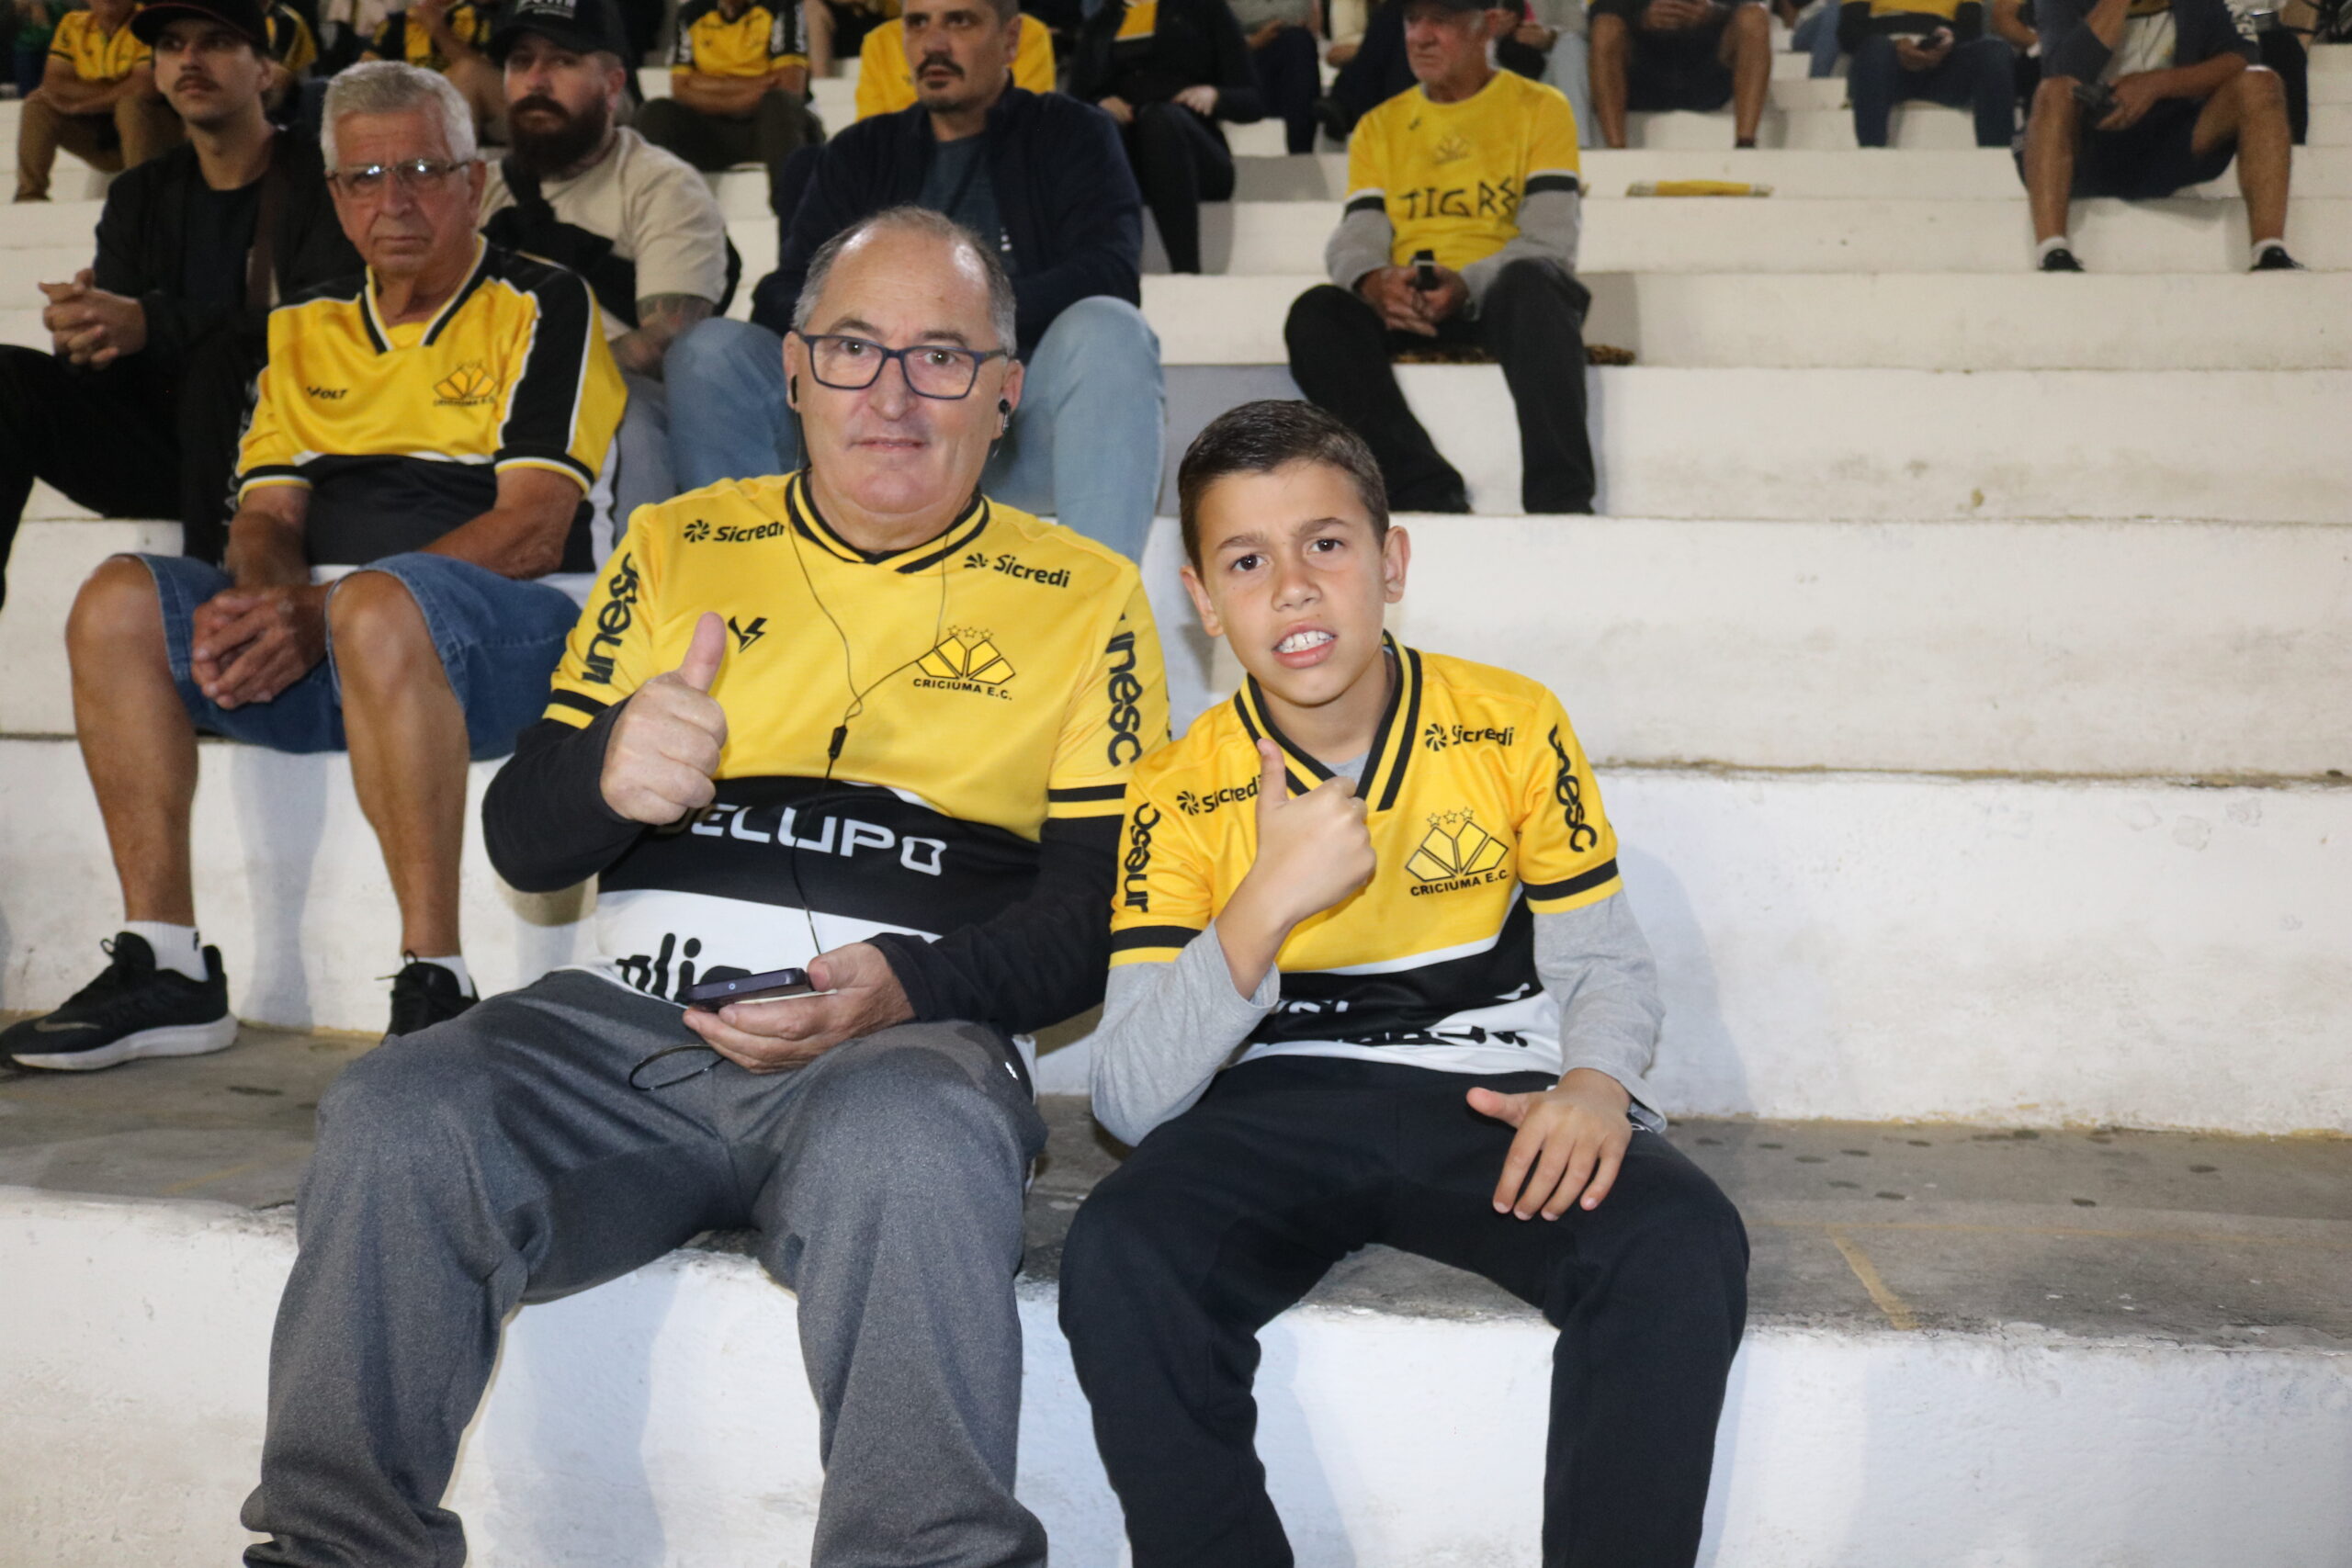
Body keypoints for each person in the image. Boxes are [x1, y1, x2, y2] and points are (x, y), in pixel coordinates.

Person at [236, 205, 1169, 1568]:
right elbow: (525, 843)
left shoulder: (1088, 597)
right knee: (399, 1109)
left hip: (903, 1044)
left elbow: (1096, 916)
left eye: (942, 357)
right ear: (793, 369)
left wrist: (905, 986)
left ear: (1006, 391)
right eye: (853, 349)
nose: (893, 395)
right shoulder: (677, 544)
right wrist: (607, 769)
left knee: (913, 1145)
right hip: (626, 1033)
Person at [1058, 400, 1748, 1568]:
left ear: (1392, 564)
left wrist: (1593, 1083)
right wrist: (1264, 902)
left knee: (1679, 1239)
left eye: (1325, 544)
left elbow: (1601, 961)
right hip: (1273, 1105)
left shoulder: (1509, 723)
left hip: (1489, 1098)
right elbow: (1128, 1099)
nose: (1292, 588)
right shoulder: (1176, 787)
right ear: (1202, 600)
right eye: (1245, 561)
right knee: (1121, 1251)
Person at [0, 62, 625, 1072]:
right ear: (335, 197)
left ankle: (437, 979)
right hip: (336, 640)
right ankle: (166, 963)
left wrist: (322, 611)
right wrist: (263, 605)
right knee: (119, 598)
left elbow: (531, 530)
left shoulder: (543, 303)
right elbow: (267, 514)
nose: (395, 201)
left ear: (473, 182)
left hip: (511, 635)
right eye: (365, 177)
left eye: (423, 170)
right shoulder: (302, 324)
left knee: (376, 605)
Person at [667, 0, 1165, 562]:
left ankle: (1102, 601)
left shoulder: (1072, 133)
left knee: (1110, 328)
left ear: (1010, 40)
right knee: (711, 351)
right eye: (917, 22)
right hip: (865, 432)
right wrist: (873, 330)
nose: (934, 43)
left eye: (960, 21)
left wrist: (957, 323)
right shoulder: (860, 151)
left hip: (1007, 432)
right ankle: (745, 586)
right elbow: (782, 292)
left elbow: (1109, 272)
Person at [0, 0, 358, 608]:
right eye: (171, 45)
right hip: (164, 447)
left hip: (290, 449)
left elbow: (326, 329)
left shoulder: (322, 180)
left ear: (265, 70)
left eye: (215, 42)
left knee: (222, 361)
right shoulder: (139, 193)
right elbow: (124, 355)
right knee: (7, 376)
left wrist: (150, 321)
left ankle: (217, 608)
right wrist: (87, 334)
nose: (189, 59)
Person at [1285, 0, 1595, 513]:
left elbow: (1551, 239)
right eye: (1413, 20)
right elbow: (1357, 233)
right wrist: (1375, 281)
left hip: (1504, 298)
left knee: (1533, 281)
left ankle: (1561, 502)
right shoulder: (1380, 123)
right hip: (1411, 302)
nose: (1421, 36)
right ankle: (1421, 491)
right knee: (1317, 312)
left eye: (1442, 21)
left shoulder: (1540, 107)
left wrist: (1467, 283)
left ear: (1487, 26)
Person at [480, 0, 733, 526]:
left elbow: (668, 341)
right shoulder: (475, 190)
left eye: (563, 60)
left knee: (626, 422)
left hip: (614, 396)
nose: (536, 80)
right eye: (521, 61)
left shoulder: (662, 185)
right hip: (480, 394)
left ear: (614, 85)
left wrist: (543, 382)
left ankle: (638, 576)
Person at [2023, 0, 2297, 268]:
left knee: (2261, 82)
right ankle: (2052, 250)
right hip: (2092, 140)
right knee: (2053, 91)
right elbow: (2061, 70)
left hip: (2173, 135)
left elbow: (2241, 56)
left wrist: (2156, 84)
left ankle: (2269, 249)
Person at [1069, 0, 1266, 275]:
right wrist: (1099, 102)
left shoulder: (1205, 9)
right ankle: (1105, 272)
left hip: (1198, 159)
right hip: (1130, 161)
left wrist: (1215, 96)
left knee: (1159, 119)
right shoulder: (1101, 23)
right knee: (1103, 130)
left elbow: (1253, 100)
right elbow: (1073, 103)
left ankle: (1186, 270)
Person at [635, 0, 822, 211]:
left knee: (779, 103)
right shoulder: (692, 13)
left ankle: (792, 212)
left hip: (769, 130)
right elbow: (680, 89)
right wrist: (755, 87)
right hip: (714, 132)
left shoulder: (782, 6)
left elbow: (790, 86)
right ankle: (662, 212)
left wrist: (706, 86)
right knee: (655, 112)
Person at [13, 0, 182, 201]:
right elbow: (54, 83)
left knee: (131, 106)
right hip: (102, 135)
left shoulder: (149, 23)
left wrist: (80, 105)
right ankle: (30, 194)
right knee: (37, 105)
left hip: (158, 133)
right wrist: (117, 91)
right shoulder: (72, 24)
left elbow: (144, 88)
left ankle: (140, 196)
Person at [1587, 0, 1770, 148]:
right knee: (1605, 27)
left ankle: (1746, 143)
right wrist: (1642, 17)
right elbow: (1598, 9)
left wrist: (1714, 12)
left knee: (1755, 17)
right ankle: (1616, 149)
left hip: (1709, 68)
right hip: (1645, 73)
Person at [1838, 0, 2016, 147]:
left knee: (1995, 50)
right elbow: (1850, 34)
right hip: (1884, 68)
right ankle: (1872, 152)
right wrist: (1897, 46)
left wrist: (1943, 46)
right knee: (1876, 47)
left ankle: (1999, 155)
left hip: (1942, 68)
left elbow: (1971, 31)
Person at [853, 3, 1055, 118]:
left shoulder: (1025, 34)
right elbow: (873, 137)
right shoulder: (880, 41)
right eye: (918, 23)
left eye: (960, 22)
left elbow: (1027, 119)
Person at [364, 0, 502, 139]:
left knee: (467, 72)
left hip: (468, 112)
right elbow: (364, 74)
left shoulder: (483, 16)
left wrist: (437, 29)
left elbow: (481, 75)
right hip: (409, 111)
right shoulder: (397, 22)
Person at [1233, 0, 1324, 152]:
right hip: (1236, 61)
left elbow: (1299, 10)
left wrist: (1267, 25)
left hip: (1282, 55)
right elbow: (1240, 12)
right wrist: (1251, 43)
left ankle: (1301, 152)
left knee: (1298, 41)